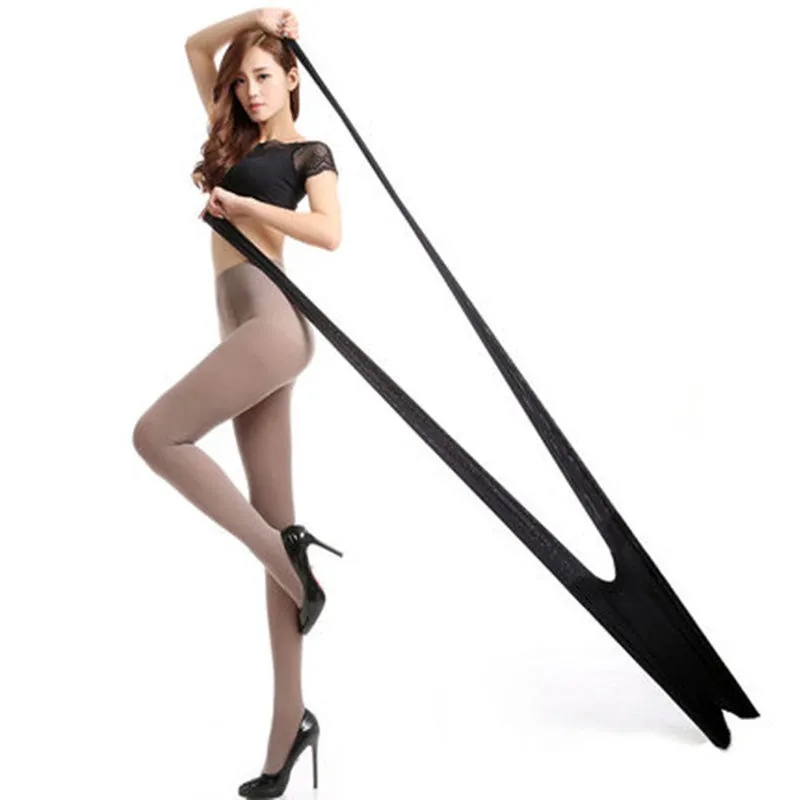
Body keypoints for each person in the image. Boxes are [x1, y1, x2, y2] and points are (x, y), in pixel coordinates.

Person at [131, 8, 341, 797]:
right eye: (242, 79)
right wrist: (256, 16)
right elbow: (194, 46)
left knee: (156, 436)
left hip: (273, 331)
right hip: (246, 328)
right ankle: (288, 730)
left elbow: (331, 232)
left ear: (292, 78)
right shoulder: (236, 141)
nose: (251, 91)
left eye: (264, 76)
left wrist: (249, 209)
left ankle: (290, 561)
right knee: (274, 523)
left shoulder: (305, 153)